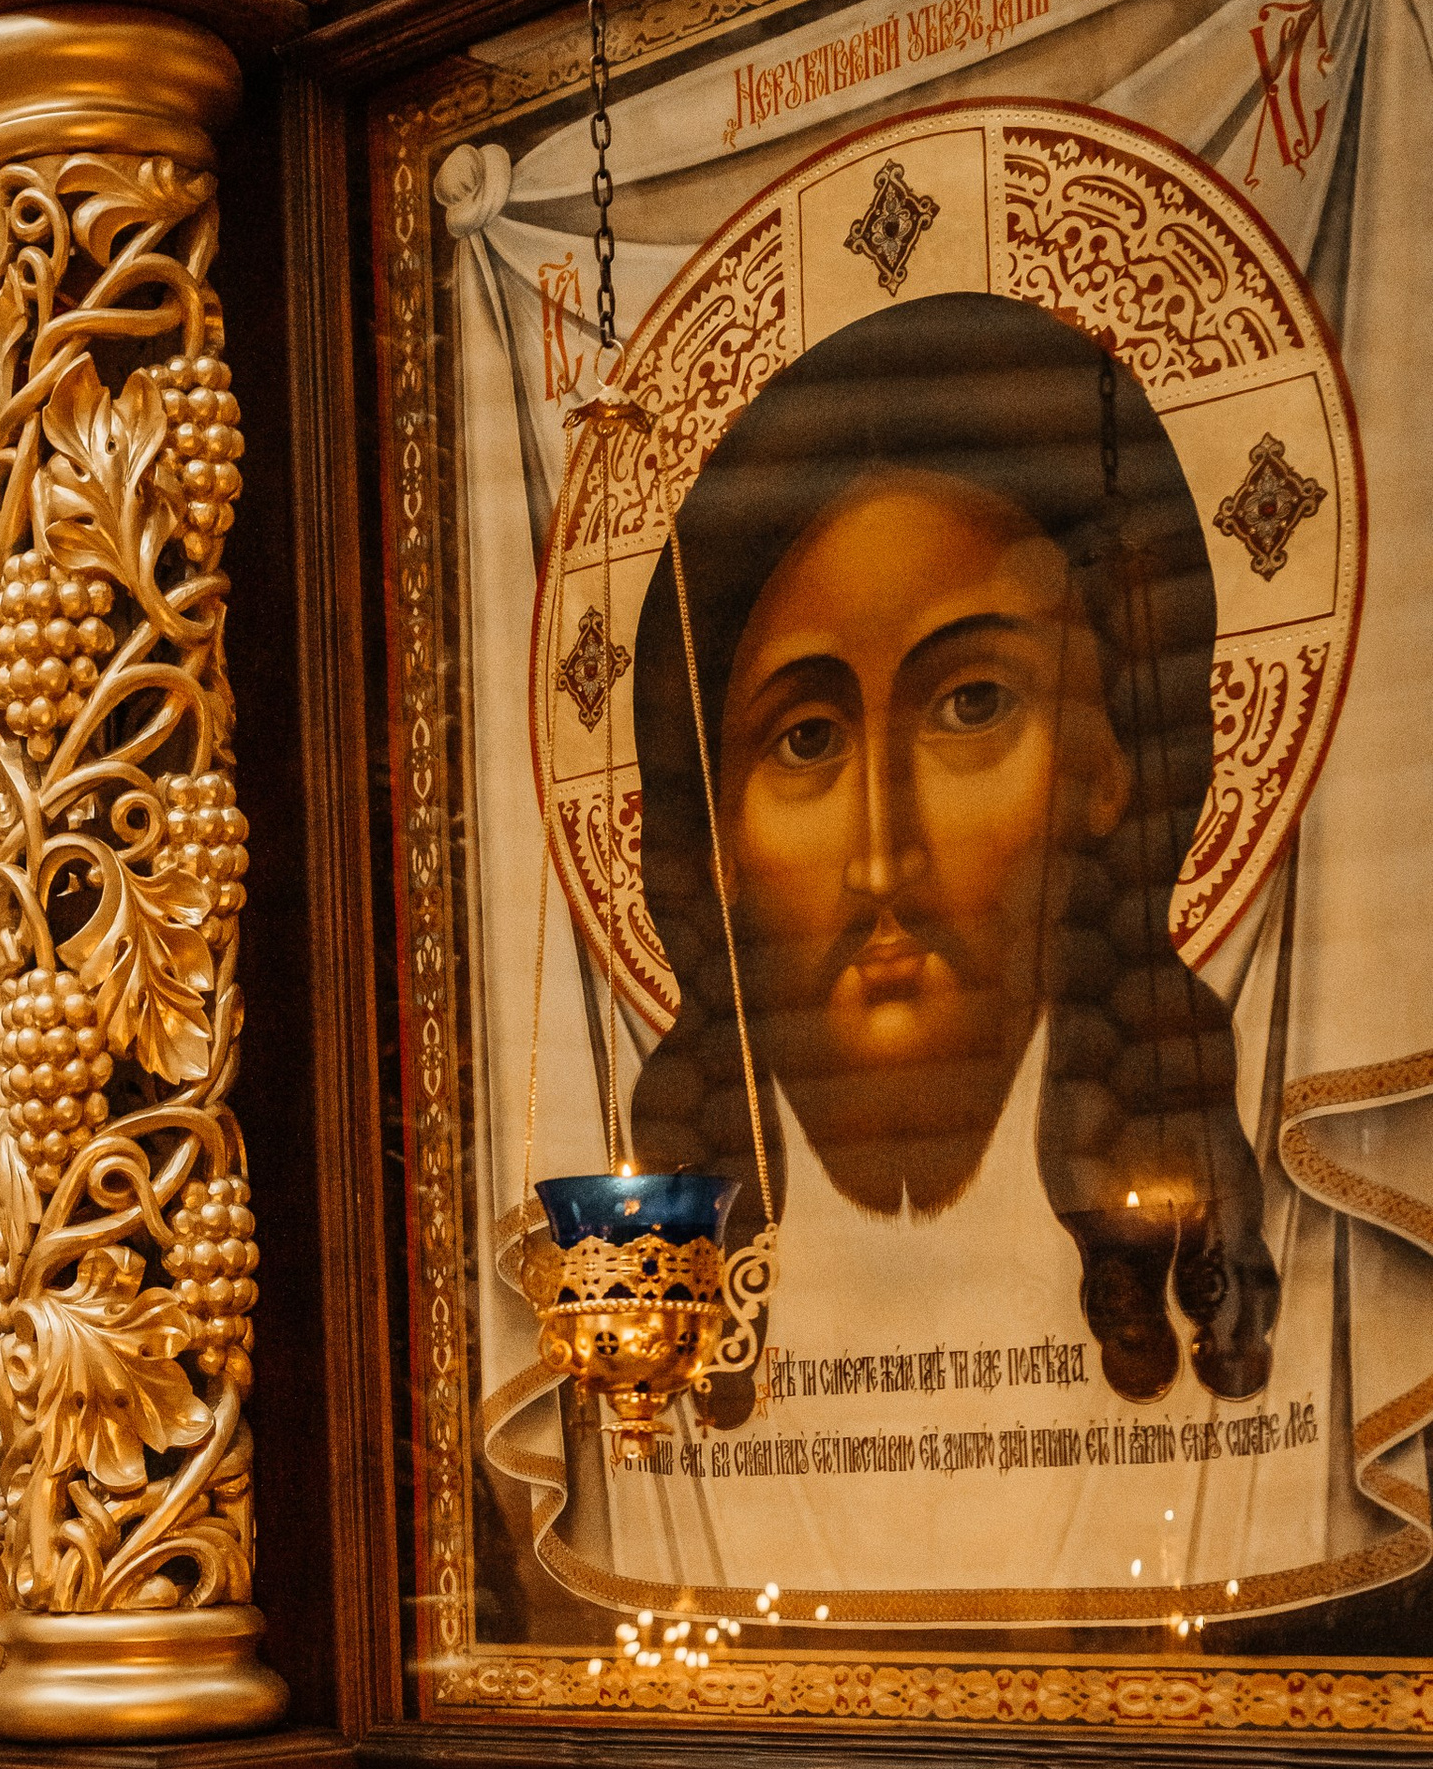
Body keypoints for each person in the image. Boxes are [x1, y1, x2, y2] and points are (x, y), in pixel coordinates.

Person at [518, 292, 1344, 1629]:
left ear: (1112, 761)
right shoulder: (684, 1272)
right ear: (713, 834)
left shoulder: (1230, 1227)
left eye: (971, 705)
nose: (881, 857)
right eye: (803, 739)